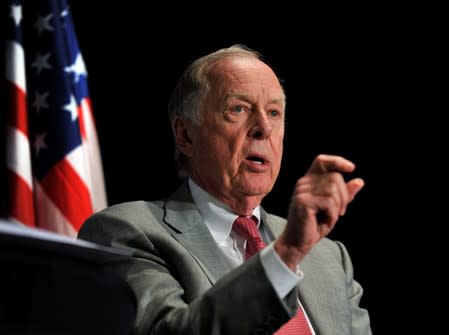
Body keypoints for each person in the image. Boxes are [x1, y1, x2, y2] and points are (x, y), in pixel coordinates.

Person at [78, 44, 372, 334]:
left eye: (274, 113)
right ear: (185, 136)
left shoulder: (328, 256)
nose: (263, 128)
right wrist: (286, 254)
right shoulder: (126, 231)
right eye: (238, 108)